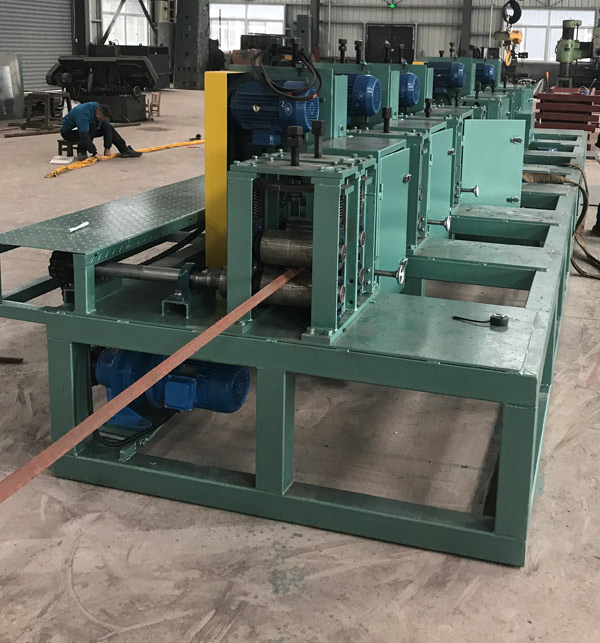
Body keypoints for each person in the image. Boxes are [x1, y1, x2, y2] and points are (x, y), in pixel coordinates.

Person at [60, 102, 142, 161]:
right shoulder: (83, 113)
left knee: (108, 127)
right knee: (92, 127)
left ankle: (124, 149)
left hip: (84, 129)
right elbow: (84, 135)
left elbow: (107, 128)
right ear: (98, 113)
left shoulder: (99, 109)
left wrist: (107, 147)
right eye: (102, 119)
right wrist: (94, 152)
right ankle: (81, 151)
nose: (102, 121)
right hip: (68, 132)